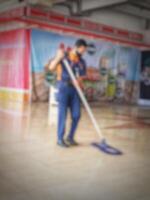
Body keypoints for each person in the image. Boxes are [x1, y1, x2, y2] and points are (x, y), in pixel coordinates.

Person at [48, 39, 88, 147]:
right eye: (83, 50)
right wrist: (58, 57)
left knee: (76, 115)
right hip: (63, 88)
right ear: (77, 47)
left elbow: (82, 76)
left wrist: (79, 81)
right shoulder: (64, 56)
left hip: (75, 90)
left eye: (85, 51)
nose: (83, 52)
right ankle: (60, 139)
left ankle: (70, 137)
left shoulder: (82, 62)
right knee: (63, 115)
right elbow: (51, 67)